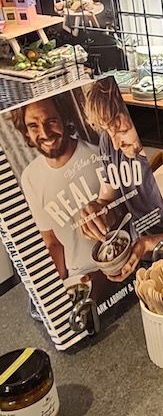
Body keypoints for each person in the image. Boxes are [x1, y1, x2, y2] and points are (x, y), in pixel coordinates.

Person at [78, 77, 163, 282]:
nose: (115, 144)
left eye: (122, 131)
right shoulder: (109, 142)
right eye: (108, 131)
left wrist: (148, 244)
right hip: (140, 260)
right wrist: (97, 211)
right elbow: (108, 198)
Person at [10, 95, 102, 280]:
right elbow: (52, 242)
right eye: (33, 125)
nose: (44, 133)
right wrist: (60, 290)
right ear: (26, 132)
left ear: (65, 118)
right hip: (79, 277)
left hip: (120, 264)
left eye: (50, 121)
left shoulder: (99, 156)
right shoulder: (30, 178)